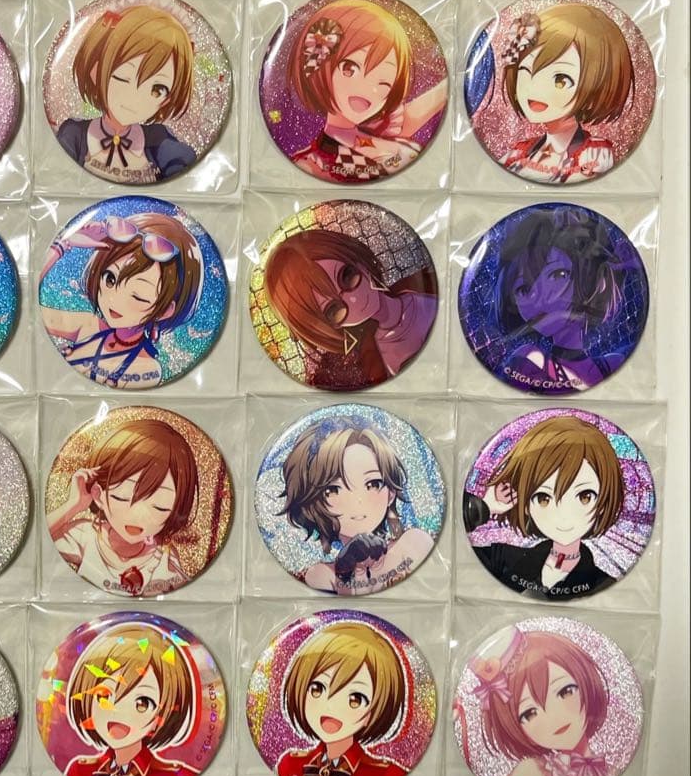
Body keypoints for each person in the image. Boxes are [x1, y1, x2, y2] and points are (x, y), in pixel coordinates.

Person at [287, 0, 447, 182]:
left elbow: (421, 110)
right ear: (320, 65)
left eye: (384, 82)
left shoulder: (387, 134)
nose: (368, 89)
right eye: (349, 69)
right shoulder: (314, 163)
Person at [464, 416, 624, 599]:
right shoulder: (503, 558)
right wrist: (485, 507)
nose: (563, 515)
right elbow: (454, 550)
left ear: (603, 501)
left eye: (584, 497)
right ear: (525, 504)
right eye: (543, 498)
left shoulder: (603, 584)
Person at [40, 213, 203, 388]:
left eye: (138, 295)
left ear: (164, 311)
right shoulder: (87, 325)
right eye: (110, 279)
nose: (114, 300)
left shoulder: (147, 368)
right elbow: (34, 311)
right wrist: (64, 243)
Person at [263, 228, 436, 389]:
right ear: (325, 328)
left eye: (346, 276)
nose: (354, 299)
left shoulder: (426, 282)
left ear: (355, 258)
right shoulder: (375, 366)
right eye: (333, 310)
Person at [280, 424, 434, 594]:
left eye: (373, 484)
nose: (357, 501)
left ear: (391, 493)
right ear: (309, 504)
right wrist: (348, 569)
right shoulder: (322, 575)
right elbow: (352, 605)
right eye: (332, 490)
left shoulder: (412, 543)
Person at [49, 419, 197, 596]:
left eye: (160, 507)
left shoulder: (164, 558)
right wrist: (74, 504)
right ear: (98, 494)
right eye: (122, 497)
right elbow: (41, 539)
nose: (138, 515)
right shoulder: (86, 535)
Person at [492, 206, 629, 392]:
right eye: (523, 289)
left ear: (587, 278)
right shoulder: (529, 361)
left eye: (558, 275)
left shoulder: (612, 364)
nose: (540, 299)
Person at [469, 629, 611, 776]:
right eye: (530, 713)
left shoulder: (613, 773)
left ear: (585, 680)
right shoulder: (529, 775)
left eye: (565, 691)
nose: (553, 716)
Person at [56, 5, 196, 183]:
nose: (136, 98)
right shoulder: (74, 134)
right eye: (123, 77)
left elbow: (185, 169)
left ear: (167, 99)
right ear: (95, 71)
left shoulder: (159, 140)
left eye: (157, 90)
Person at [498, 5, 632, 183]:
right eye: (526, 71)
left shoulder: (595, 153)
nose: (538, 89)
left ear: (596, 91)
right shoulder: (517, 153)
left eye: (560, 80)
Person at [65, 624, 198, 776]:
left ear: (161, 716)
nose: (118, 711)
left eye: (142, 703)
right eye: (105, 695)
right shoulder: (79, 771)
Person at [277, 622, 408, 776]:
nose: (331, 707)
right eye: (317, 689)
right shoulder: (290, 765)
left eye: (355, 699)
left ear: (372, 714)